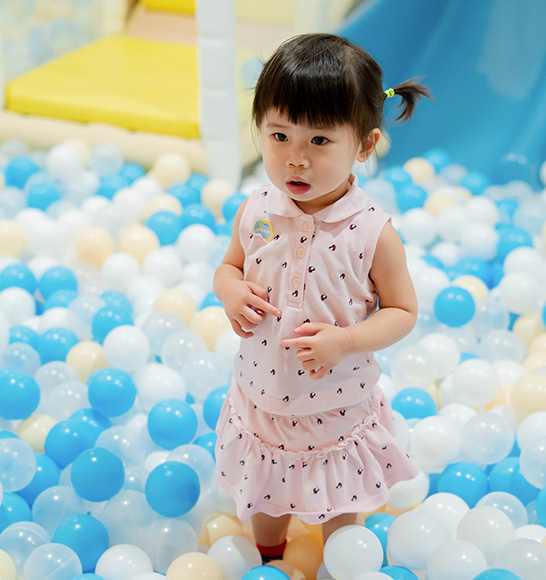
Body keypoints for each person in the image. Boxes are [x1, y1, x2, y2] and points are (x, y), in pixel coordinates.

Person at [213, 32, 432, 562]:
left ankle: (342, 562)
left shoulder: (371, 232)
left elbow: (403, 312)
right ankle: (269, 557)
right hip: (262, 396)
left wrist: (346, 339)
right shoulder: (258, 207)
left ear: (364, 144)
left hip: (334, 407)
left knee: (341, 502)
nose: (296, 160)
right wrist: (230, 292)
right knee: (264, 497)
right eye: (279, 135)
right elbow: (228, 267)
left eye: (319, 141)